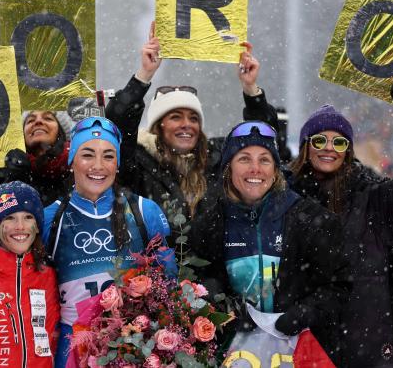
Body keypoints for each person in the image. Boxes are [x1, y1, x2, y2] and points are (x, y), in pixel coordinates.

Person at [241, 50, 393, 367]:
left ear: (348, 150)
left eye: (339, 142)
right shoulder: (283, 193)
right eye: (319, 140)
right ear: (305, 146)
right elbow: (261, 146)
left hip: (362, 336)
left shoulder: (371, 196)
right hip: (298, 334)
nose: (329, 148)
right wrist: (252, 92)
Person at [189, 120, 350, 365]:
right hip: (235, 354)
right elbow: (194, 279)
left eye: (264, 160)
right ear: (228, 167)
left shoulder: (310, 219)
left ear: (275, 169)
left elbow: (340, 284)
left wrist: (307, 312)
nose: (255, 169)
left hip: (300, 351)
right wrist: (218, 299)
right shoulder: (209, 224)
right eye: (244, 159)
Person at [105, 27, 261, 247]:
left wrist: (250, 88)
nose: (187, 125)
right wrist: (144, 75)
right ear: (158, 126)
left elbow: (262, 140)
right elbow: (116, 123)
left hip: (214, 276)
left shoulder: (218, 160)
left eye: (193, 118)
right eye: (176, 117)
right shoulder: (138, 162)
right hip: (156, 274)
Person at [41, 116, 177, 367]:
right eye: (87, 155)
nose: (98, 166)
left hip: (130, 346)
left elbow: (170, 285)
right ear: (72, 162)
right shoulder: (51, 217)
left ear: (117, 165)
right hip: (72, 347)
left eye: (108, 156)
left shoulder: (143, 211)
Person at [0, 181, 60, 368]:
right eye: (10, 218)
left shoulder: (48, 272)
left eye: (28, 217)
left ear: (37, 226)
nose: (20, 226)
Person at [0, 110, 71, 206]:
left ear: (61, 132)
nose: (38, 121)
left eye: (48, 118)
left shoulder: (79, 166)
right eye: (30, 120)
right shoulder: (3, 169)